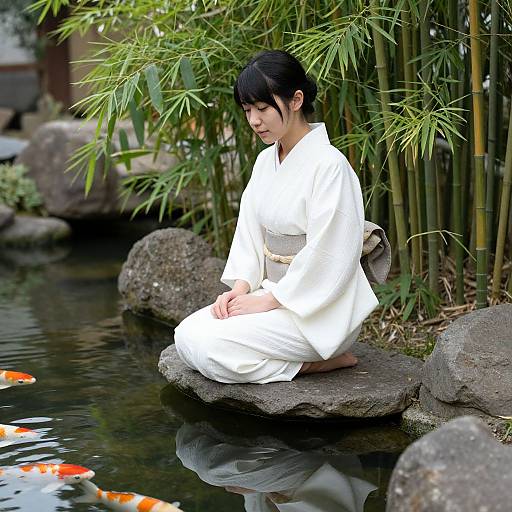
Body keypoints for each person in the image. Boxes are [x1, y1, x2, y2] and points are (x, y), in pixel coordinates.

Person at [174, 49, 379, 384]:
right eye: (247, 109)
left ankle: (319, 360)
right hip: (272, 296)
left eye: (263, 107)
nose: (254, 120)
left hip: (318, 312)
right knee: (186, 335)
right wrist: (240, 289)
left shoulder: (331, 166)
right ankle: (299, 365)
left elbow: (332, 254)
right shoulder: (265, 161)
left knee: (209, 347)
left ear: (296, 99)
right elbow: (250, 234)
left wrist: (269, 301)